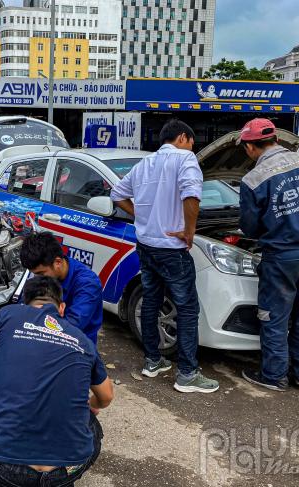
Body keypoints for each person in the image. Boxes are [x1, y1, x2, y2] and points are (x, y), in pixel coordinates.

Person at [0, 276, 114, 487]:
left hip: (6, 469)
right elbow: (107, 396)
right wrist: (91, 405)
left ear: (24, 303)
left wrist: (1, 375)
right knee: (87, 416)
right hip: (69, 468)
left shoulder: (8, 315)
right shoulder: (81, 339)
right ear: (61, 308)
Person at [110, 118, 219, 394]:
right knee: (187, 308)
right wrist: (189, 231)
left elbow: (116, 194)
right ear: (183, 138)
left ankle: (153, 361)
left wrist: (141, 216)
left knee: (151, 301)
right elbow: (192, 196)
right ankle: (187, 374)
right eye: (192, 143)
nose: (192, 148)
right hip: (172, 249)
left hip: (146, 245)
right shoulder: (185, 159)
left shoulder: (145, 164)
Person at [237, 118, 299, 391]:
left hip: (281, 257)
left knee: (274, 317)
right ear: (277, 141)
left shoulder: (252, 179)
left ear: (249, 147)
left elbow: (249, 227)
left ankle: (274, 376)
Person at [20, 232, 103, 345]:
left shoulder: (88, 284)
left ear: (58, 262)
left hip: (78, 345)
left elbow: (74, 325)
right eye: (35, 274)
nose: (37, 278)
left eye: (41, 273)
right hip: (47, 336)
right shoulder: (45, 270)